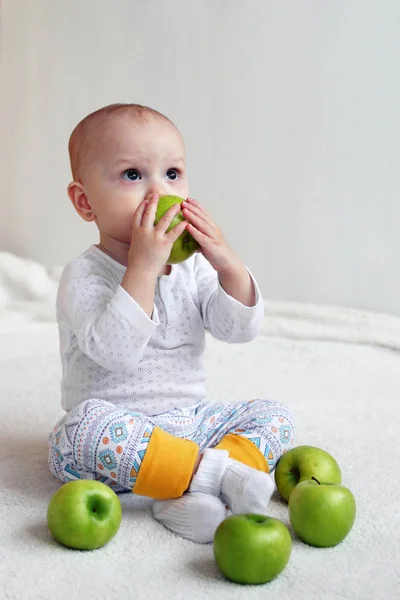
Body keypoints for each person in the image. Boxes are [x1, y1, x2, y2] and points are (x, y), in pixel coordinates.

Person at [48, 103, 295, 544]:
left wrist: (227, 264)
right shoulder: (82, 275)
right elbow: (116, 353)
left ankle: (183, 488)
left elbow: (237, 330)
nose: (157, 192)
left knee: (274, 416)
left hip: (192, 427)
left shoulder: (192, 269)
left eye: (173, 174)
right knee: (75, 432)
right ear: (85, 202)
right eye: (132, 175)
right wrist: (142, 268)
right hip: (118, 438)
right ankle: (216, 475)